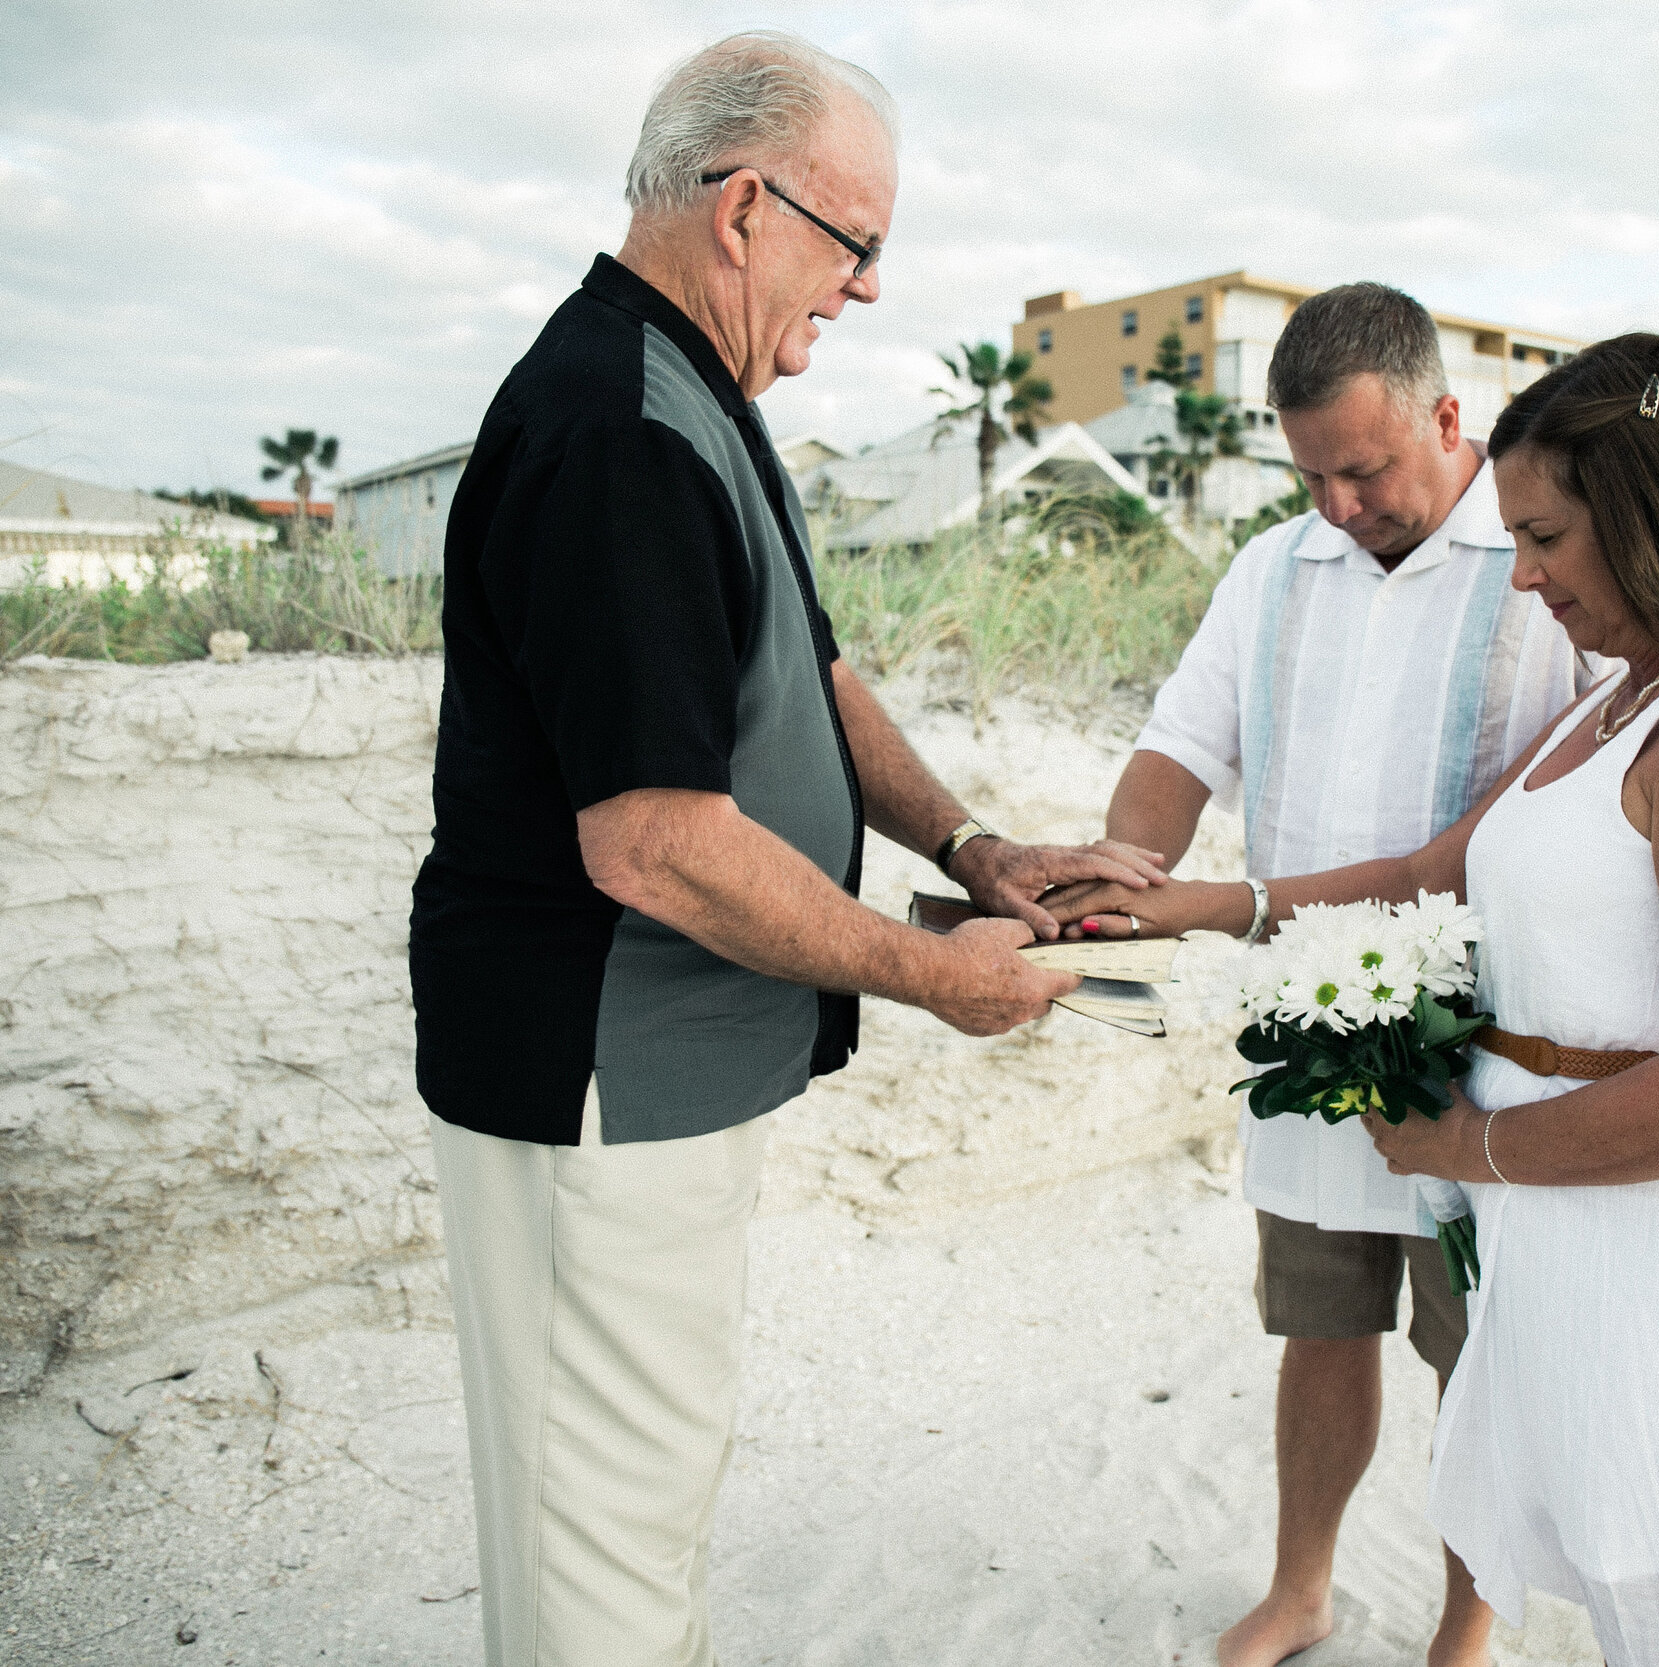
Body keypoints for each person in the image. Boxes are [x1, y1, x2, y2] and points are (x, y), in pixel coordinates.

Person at [1055, 333, 1659, 1663]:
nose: (1530, 571)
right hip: (1550, 1204)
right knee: (1635, 1583)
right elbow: (1422, 868)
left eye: (1550, 537)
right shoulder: (1626, 691)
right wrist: (1186, 905)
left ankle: (1467, 1633)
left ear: (1652, 513)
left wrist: (1464, 1148)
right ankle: (1306, 1585)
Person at [407, 34, 1164, 1666]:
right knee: (595, 1541)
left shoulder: (698, 393)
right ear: (744, 206)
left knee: (641, 1492)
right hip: (594, 1077)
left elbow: (807, 676)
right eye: (860, 242)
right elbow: (657, 848)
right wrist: (931, 978)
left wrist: (978, 844)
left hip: (662, 1073)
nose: (875, 289)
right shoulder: (619, 425)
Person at [1078, 282, 1594, 1667]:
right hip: (1306, 1024)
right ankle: (1301, 1588)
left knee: (1473, 1355)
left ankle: (1466, 1628)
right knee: (1320, 1320)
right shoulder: (1272, 567)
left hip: (1490, 1040)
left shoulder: (1545, 564)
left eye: (1366, 469)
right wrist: (1121, 881)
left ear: (1446, 415)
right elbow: (1183, 744)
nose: (1340, 504)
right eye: (1311, 474)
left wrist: (1222, 900)